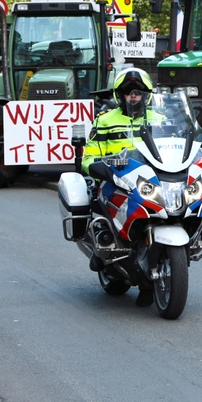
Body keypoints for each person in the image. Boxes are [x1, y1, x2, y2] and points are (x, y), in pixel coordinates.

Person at [80, 67, 157, 307]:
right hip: (116, 181)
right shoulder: (105, 120)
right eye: (128, 92)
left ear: (147, 94)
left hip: (152, 181)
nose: (133, 96)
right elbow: (88, 156)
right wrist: (100, 168)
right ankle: (103, 251)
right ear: (119, 95)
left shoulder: (161, 120)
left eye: (138, 91)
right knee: (110, 205)